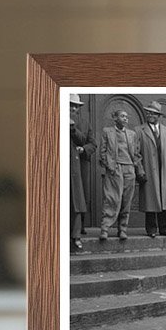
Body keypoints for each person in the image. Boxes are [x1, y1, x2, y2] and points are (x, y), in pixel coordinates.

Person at [99, 108, 145, 242]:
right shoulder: (107, 132)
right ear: (115, 118)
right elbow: (102, 151)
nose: (126, 119)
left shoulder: (132, 134)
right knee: (112, 198)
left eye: (126, 117)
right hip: (115, 168)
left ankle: (123, 229)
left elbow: (136, 154)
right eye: (122, 116)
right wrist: (109, 165)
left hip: (129, 168)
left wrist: (139, 169)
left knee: (126, 199)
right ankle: (105, 228)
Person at [136, 100, 166, 238]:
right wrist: (140, 170)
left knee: (165, 199)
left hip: (165, 170)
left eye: (153, 113)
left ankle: (164, 228)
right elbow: (136, 153)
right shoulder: (139, 130)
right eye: (148, 112)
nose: (150, 114)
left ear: (159, 116)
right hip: (149, 170)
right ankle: (151, 228)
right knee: (150, 200)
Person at [69, 93, 92, 252]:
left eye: (76, 106)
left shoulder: (83, 122)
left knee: (76, 201)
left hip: (76, 166)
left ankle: (75, 237)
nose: (74, 108)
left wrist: (72, 128)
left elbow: (86, 140)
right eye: (71, 104)